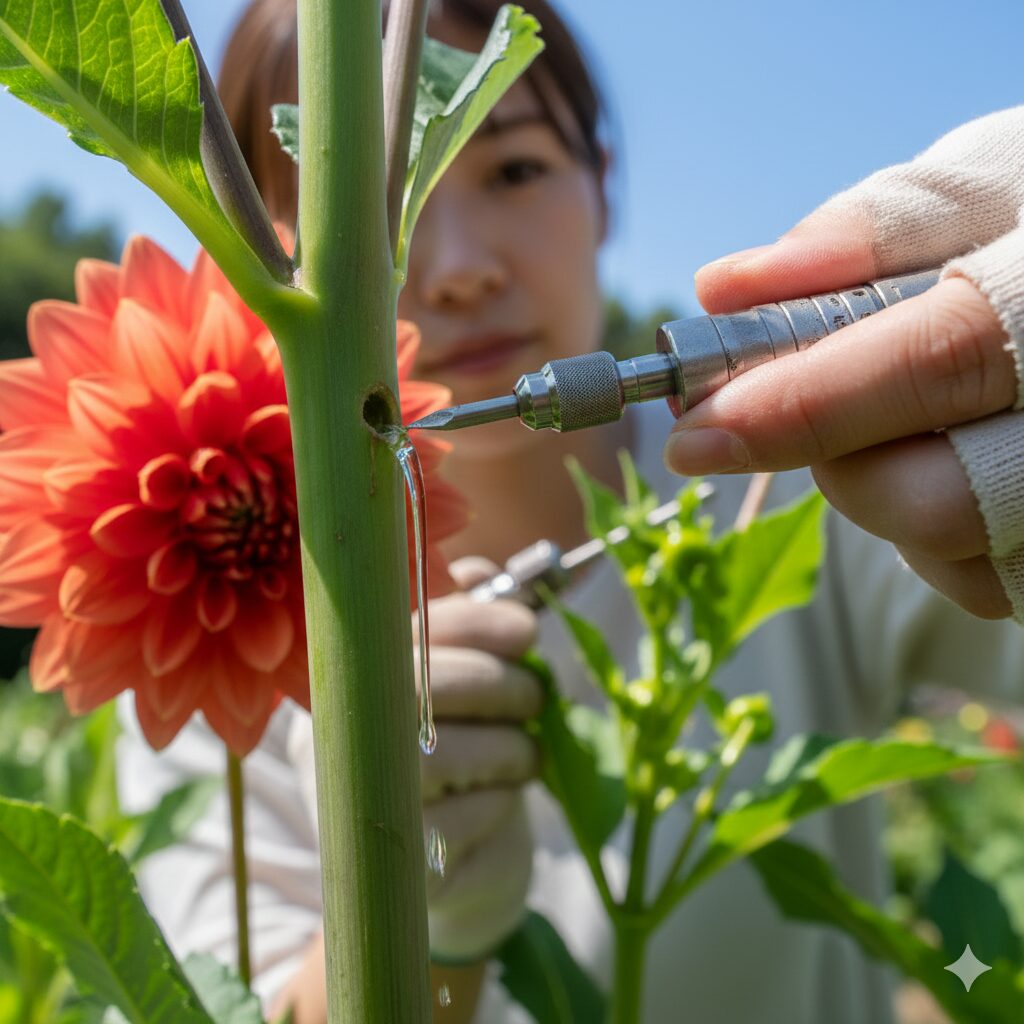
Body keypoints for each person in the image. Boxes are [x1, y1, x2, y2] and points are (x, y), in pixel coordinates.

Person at [114, 1, 1024, 1021]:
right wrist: (424, 926)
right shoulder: (202, 642)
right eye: (352, 207)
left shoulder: (791, 482)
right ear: (253, 257)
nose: (459, 269)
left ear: (602, 183)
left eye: (514, 170)